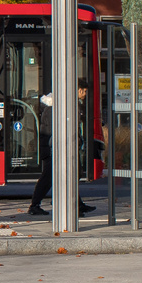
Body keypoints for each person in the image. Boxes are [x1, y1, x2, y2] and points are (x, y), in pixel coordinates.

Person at [28, 84, 93, 217]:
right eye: (84, 91)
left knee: (68, 175)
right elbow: (55, 131)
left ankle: (78, 205)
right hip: (54, 150)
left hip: (57, 148)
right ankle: (34, 206)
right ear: (78, 89)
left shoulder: (62, 106)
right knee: (48, 178)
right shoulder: (53, 108)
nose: (85, 94)